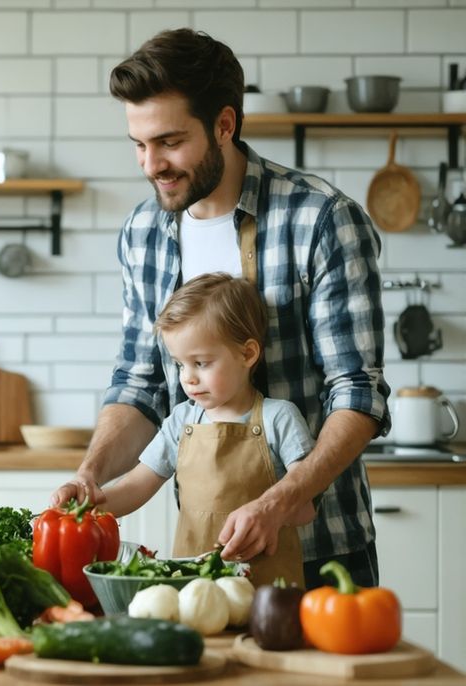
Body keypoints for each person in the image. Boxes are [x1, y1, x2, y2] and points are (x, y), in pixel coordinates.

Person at [51, 28, 389, 589]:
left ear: (225, 124)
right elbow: (140, 383)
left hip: (322, 553)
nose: (150, 164)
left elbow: (356, 390)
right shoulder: (143, 232)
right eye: (139, 144)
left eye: (169, 141)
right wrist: (90, 476)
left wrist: (281, 501)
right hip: (204, 564)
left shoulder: (323, 219)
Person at [82, 273, 317, 586]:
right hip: (193, 587)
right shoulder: (182, 421)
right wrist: (86, 506)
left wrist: (267, 513)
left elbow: (304, 509)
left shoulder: (280, 419)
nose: (187, 378)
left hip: (268, 589)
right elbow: (136, 487)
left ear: (248, 354)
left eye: (201, 363)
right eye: (180, 364)